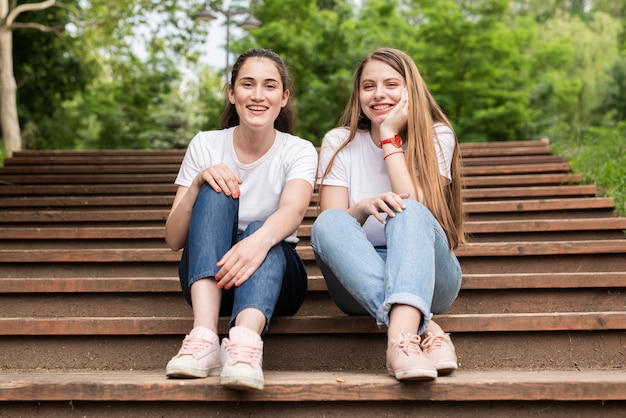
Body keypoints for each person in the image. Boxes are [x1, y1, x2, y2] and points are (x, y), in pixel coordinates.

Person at [164, 48, 318, 390]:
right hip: (212, 278)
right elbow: (174, 239)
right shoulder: (205, 144)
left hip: (277, 280)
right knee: (217, 186)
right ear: (232, 93)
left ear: (283, 97)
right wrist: (197, 184)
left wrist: (255, 242)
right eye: (247, 84)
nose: (258, 95)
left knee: (267, 227)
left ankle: (245, 344)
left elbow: (292, 212)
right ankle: (203, 337)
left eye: (269, 86)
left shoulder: (299, 150)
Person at [310, 47, 464, 381]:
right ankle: (423, 329)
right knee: (328, 220)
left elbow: (421, 206)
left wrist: (389, 139)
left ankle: (399, 341)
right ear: (358, 93)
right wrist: (364, 208)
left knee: (406, 208)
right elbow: (331, 231)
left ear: (411, 89)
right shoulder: (339, 141)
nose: (379, 94)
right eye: (369, 86)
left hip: (435, 275)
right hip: (355, 281)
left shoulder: (437, 135)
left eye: (391, 84)